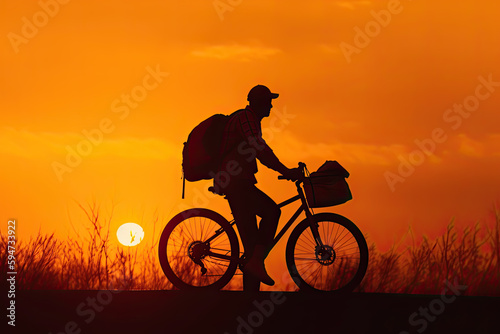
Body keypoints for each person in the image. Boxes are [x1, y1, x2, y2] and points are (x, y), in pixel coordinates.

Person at [213, 85, 303, 291]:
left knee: (252, 249)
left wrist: (283, 169)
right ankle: (254, 265)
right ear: (259, 102)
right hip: (236, 184)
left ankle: (250, 295)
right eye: (269, 101)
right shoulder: (247, 118)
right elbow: (258, 147)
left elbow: (259, 148)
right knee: (272, 211)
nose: (271, 106)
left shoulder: (250, 120)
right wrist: (285, 170)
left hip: (238, 183)